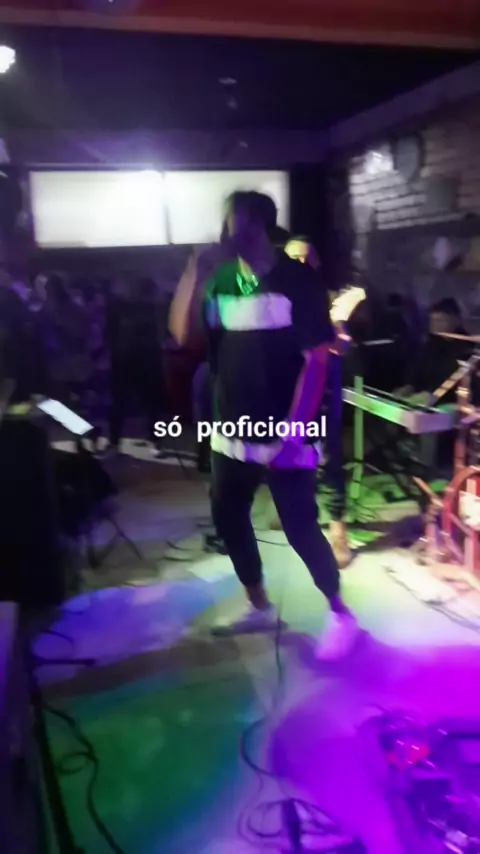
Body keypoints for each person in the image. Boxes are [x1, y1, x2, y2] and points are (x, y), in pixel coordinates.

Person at [169, 191, 358, 660]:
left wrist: (294, 434)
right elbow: (183, 335)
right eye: (227, 225)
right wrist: (194, 270)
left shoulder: (297, 279)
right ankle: (257, 603)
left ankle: (340, 614)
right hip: (230, 429)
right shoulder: (221, 280)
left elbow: (316, 361)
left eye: (239, 225)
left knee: (299, 526)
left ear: (260, 227)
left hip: (286, 429)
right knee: (228, 516)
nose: (230, 234)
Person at [269, 235, 353, 568]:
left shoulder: (325, 299)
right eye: (294, 258)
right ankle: (291, 512)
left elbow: (342, 346)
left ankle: (338, 528)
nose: (300, 264)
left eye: (306, 258)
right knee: (284, 453)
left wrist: (333, 331)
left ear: (316, 263)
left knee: (329, 457)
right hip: (285, 389)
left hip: (322, 388)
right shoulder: (275, 296)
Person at [106, 275, 166, 455]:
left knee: (151, 404)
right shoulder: (116, 308)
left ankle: (155, 440)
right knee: (118, 403)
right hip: (123, 360)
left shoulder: (150, 308)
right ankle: (114, 441)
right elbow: (109, 333)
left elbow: (159, 334)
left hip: (146, 360)